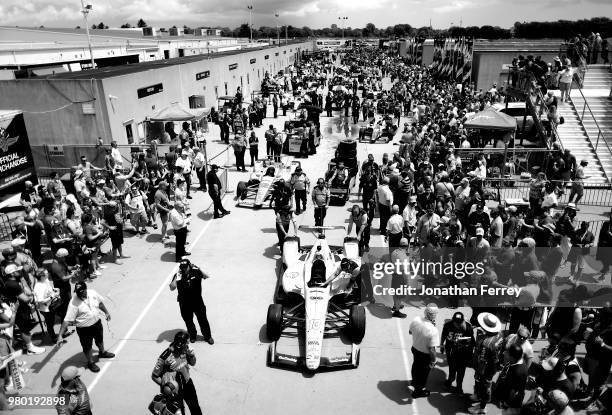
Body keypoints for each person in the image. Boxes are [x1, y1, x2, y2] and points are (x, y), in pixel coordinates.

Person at [56, 282, 114, 372]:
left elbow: (100, 303)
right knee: (87, 347)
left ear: (86, 289)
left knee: (99, 340)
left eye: (81, 291)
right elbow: (67, 320)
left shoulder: (92, 293)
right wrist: (60, 335)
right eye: (77, 292)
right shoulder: (73, 303)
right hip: (84, 329)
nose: (78, 294)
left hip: (96, 323)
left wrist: (106, 312)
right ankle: (90, 362)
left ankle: (102, 352)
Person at [152, 331, 202, 415]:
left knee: (195, 407)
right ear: (179, 344)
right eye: (186, 342)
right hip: (174, 390)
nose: (188, 344)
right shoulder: (165, 356)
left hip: (187, 383)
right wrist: (167, 386)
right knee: (179, 412)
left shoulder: (186, 350)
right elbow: (154, 376)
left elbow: (193, 363)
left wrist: (192, 355)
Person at [169, 259, 213, 344]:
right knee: (188, 321)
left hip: (197, 302)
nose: (184, 269)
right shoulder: (178, 275)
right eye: (182, 267)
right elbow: (172, 287)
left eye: (185, 267)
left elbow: (207, 276)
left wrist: (198, 268)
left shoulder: (196, 272)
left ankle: (208, 337)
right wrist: (177, 277)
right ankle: (193, 336)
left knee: (203, 320)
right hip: (184, 303)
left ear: (190, 265)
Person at [469, 312, 503, 415]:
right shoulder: (500, 334)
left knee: (485, 387)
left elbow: (482, 356)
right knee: (481, 383)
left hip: (485, 369)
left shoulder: (486, 343)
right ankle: (478, 396)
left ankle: (482, 408)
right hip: (490, 367)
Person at [409, 304, 440, 398]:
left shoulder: (416, 320)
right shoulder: (433, 330)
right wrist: (434, 361)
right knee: (423, 374)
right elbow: (432, 349)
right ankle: (417, 392)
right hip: (425, 355)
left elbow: (410, 332)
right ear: (434, 315)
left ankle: (414, 381)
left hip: (415, 349)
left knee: (415, 366)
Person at [441, 311, 474, 394]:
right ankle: (450, 380)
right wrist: (442, 345)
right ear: (453, 321)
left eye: (460, 322)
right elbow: (444, 335)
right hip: (451, 352)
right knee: (452, 369)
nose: (458, 325)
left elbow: (472, 342)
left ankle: (459, 387)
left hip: (463, 354)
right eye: (456, 323)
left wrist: (469, 353)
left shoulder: (468, 327)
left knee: (461, 371)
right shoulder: (447, 325)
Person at [493, 343, 528, 415]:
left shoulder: (518, 371)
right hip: (507, 397)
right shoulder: (514, 361)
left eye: (507, 353)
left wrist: (506, 404)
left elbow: (514, 391)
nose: (504, 353)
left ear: (512, 357)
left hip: (512, 403)